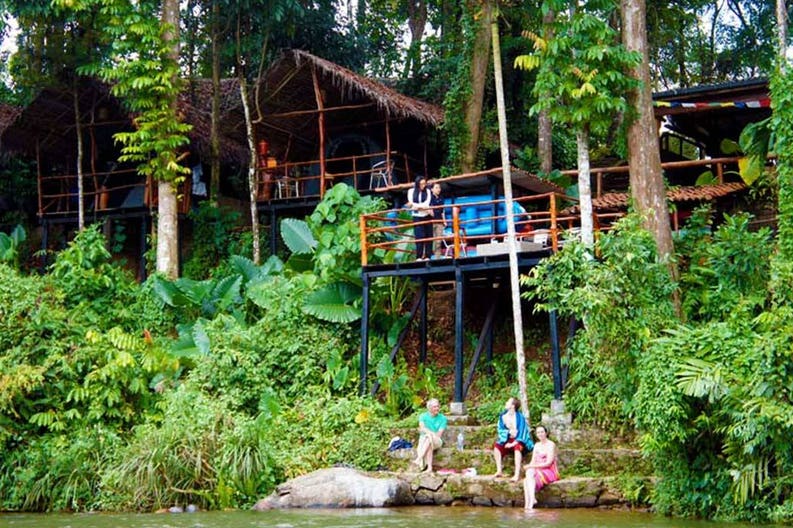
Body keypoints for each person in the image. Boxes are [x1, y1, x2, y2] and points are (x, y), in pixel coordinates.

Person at [492, 397, 533, 482]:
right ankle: (499, 470)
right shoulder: (503, 416)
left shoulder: (520, 417)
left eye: (508, 402)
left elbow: (522, 432)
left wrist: (513, 443)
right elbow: (500, 429)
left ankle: (516, 474)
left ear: (513, 406)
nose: (506, 403)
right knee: (497, 446)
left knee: (517, 447)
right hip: (507, 439)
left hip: (519, 440)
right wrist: (508, 432)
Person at [523, 425, 559, 509]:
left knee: (528, 477)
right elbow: (532, 461)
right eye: (538, 432)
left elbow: (548, 463)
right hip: (537, 469)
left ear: (546, 433)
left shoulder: (551, 444)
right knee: (526, 478)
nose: (540, 434)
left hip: (548, 470)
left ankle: (531, 502)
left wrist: (531, 466)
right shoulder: (536, 445)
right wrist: (529, 467)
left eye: (542, 432)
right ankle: (528, 504)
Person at [414, 398, 447, 472]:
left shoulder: (443, 418)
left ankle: (419, 458)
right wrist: (430, 434)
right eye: (435, 407)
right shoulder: (423, 416)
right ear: (429, 408)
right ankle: (429, 468)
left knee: (429, 437)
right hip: (424, 439)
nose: (437, 408)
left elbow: (439, 434)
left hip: (437, 440)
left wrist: (430, 434)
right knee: (429, 440)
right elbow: (422, 428)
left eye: (438, 406)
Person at [407, 176, 432, 260]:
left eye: (424, 184)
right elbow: (411, 203)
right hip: (417, 216)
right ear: (417, 184)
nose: (423, 186)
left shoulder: (428, 191)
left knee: (428, 235)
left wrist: (417, 206)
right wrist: (420, 207)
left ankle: (428, 256)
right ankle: (419, 256)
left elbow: (427, 204)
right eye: (421, 184)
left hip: (426, 215)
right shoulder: (411, 191)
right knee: (419, 236)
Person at [429, 181, 447, 258]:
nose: (438, 189)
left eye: (439, 187)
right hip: (431, 221)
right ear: (432, 189)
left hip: (439, 221)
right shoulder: (429, 198)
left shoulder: (441, 198)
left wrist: (444, 221)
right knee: (431, 240)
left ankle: (437, 257)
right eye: (436, 188)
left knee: (439, 241)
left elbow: (443, 211)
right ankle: (428, 257)